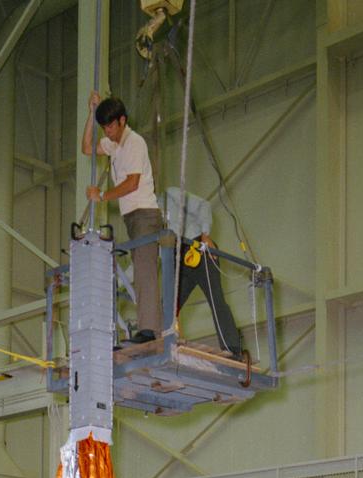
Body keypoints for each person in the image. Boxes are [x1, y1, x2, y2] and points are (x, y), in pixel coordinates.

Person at [83, 92, 161, 343]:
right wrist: (89, 112)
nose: (107, 132)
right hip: (132, 216)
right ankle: (149, 327)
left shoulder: (133, 143)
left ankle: (149, 330)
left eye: (110, 126)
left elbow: (132, 183)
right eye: (104, 128)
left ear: (122, 120)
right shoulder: (114, 144)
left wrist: (102, 196)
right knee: (141, 268)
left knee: (145, 270)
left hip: (144, 213)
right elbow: (86, 148)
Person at [159, 186, 245, 358]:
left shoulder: (170, 195)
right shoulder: (148, 220)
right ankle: (165, 344)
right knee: (167, 306)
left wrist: (206, 235)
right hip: (177, 258)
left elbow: (203, 206)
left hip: (197, 247)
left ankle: (232, 347)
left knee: (215, 298)